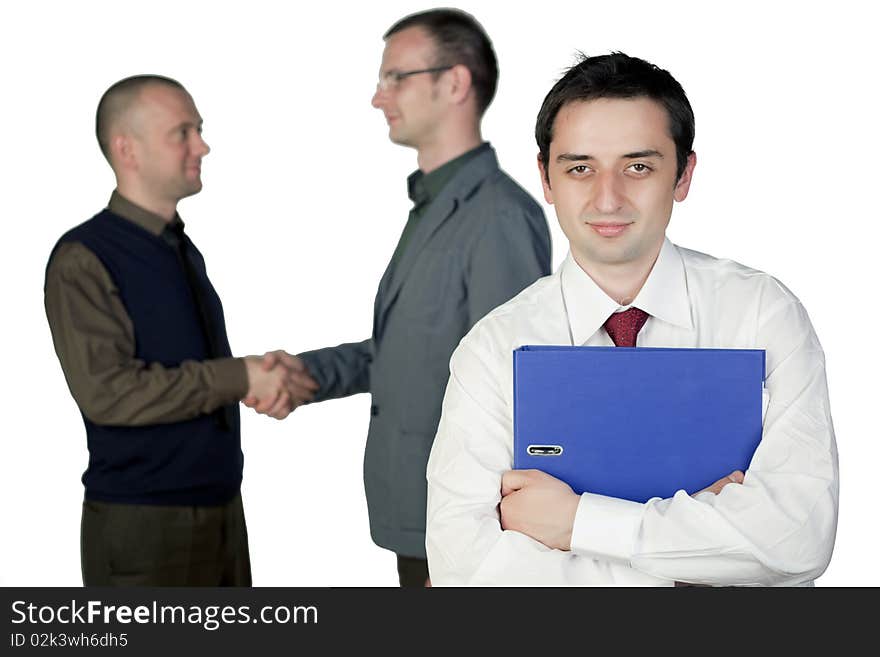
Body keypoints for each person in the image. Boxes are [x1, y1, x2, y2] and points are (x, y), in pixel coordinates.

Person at [425, 52, 839, 586]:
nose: (608, 198)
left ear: (683, 175)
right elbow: (467, 569)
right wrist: (697, 567)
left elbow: (798, 538)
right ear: (546, 181)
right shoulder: (493, 347)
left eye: (638, 166)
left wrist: (574, 523)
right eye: (580, 169)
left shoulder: (762, 315)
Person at [251, 9, 551, 587]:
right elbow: (412, 346)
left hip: (462, 525)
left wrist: (486, 538)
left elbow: (513, 383)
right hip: (418, 509)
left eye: (396, 77)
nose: (377, 97)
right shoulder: (436, 205)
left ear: (455, 83)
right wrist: (307, 373)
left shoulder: (498, 217)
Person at [44, 75, 303, 586]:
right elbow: (108, 393)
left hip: (220, 511)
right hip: (147, 530)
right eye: (182, 132)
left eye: (199, 130)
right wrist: (241, 377)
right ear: (127, 149)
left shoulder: (178, 248)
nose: (202, 145)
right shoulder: (84, 258)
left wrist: (261, 375)